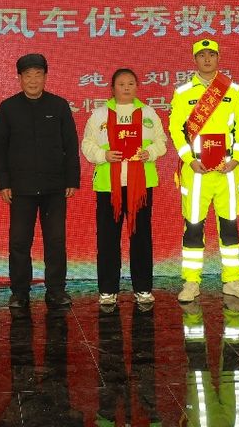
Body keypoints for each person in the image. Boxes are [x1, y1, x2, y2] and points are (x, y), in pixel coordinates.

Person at [169, 39, 239, 304]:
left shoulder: (232, 89)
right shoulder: (183, 92)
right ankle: (191, 281)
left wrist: (237, 158)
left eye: (212, 54)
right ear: (194, 59)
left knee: (229, 225)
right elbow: (176, 129)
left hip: (227, 169)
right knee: (194, 226)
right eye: (202, 55)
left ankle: (232, 280)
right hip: (196, 170)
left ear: (218, 58)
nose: (207, 59)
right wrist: (189, 159)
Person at [0, 53, 80, 310]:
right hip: (21, 188)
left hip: (55, 187)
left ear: (45, 77)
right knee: (19, 242)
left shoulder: (59, 106)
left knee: (55, 241)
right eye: (27, 75)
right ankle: (20, 292)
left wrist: (72, 179)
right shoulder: (8, 108)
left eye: (38, 75)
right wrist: (3, 183)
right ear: (19, 78)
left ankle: (56, 290)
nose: (33, 80)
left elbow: (70, 145)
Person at [81, 68, 167, 309]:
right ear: (112, 88)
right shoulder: (99, 115)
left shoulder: (148, 113)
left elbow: (162, 141)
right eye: (121, 84)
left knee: (141, 238)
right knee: (108, 239)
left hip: (140, 186)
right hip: (109, 186)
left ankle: (143, 288)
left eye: (131, 83)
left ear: (137, 87)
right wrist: (104, 155)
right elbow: (87, 144)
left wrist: (149, 152)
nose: (126, 88)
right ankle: (108, 290)